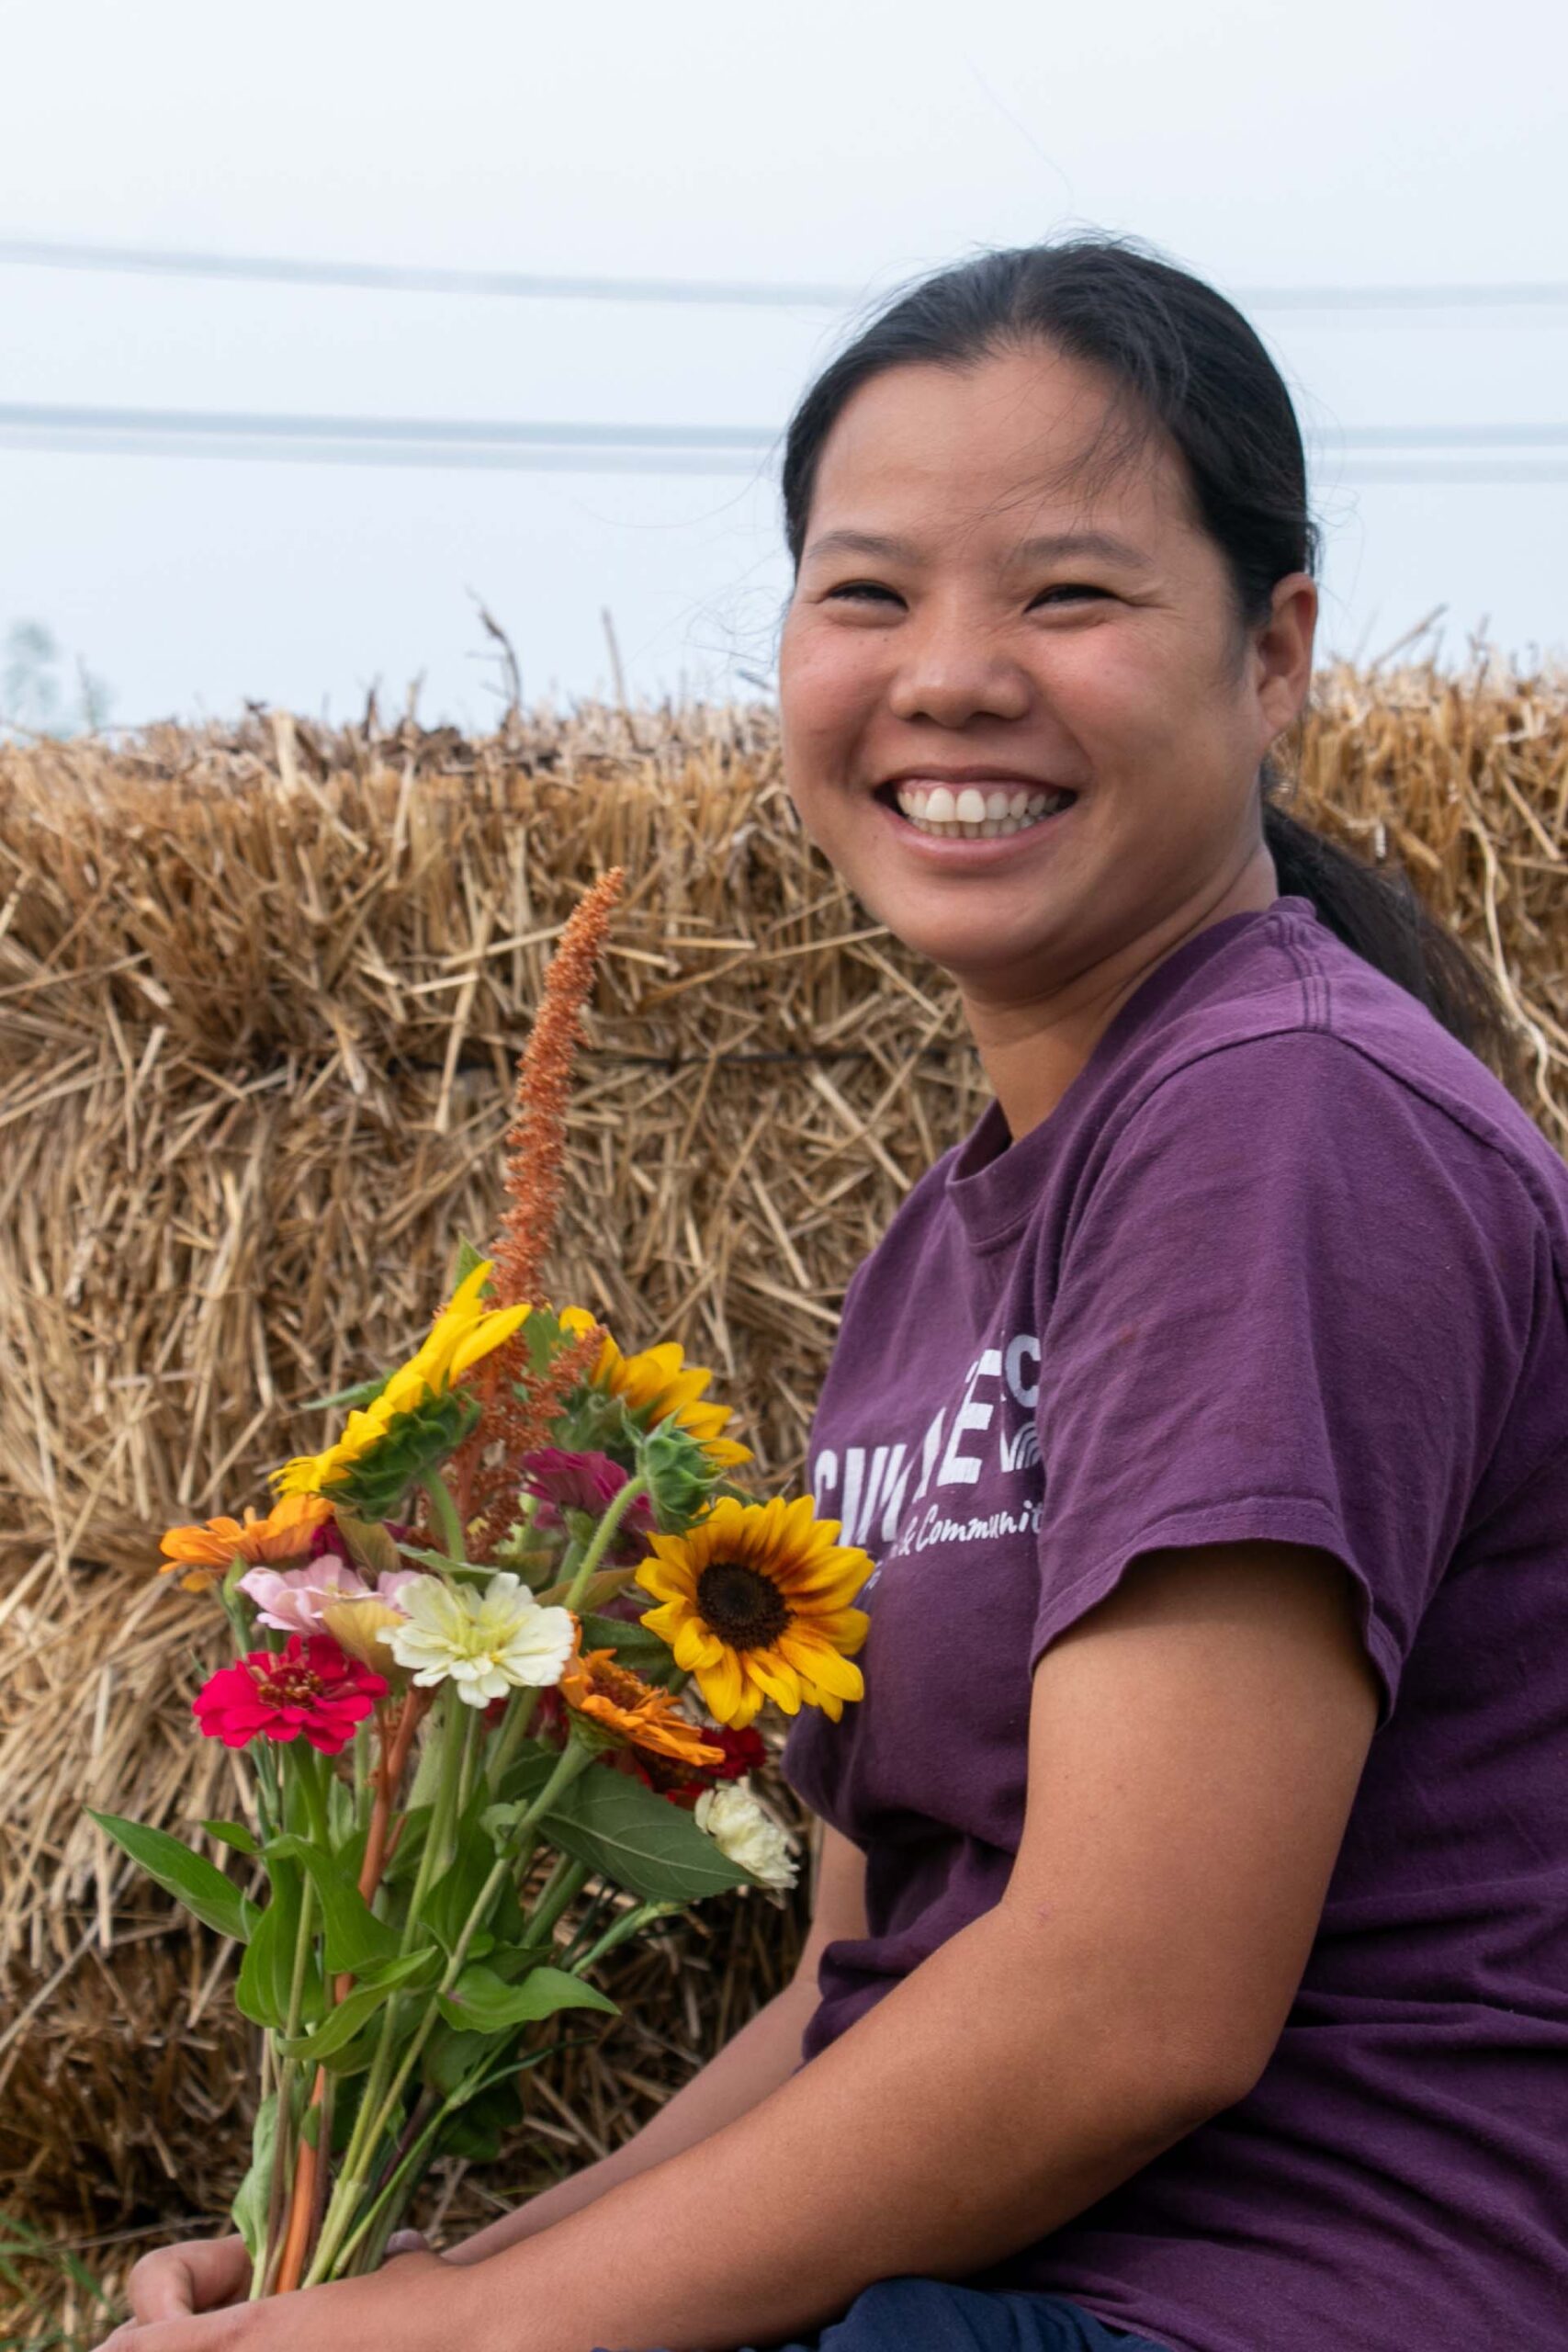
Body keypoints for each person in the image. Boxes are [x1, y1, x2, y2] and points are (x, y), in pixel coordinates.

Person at [106, 239, 1568, 2352]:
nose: (950, 674)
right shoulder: (954, 1236)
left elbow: (1122, 2007)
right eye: (866, 592)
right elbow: (852, 1994)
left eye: (1066, 594)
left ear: (1273, 658)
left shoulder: (1280, 1119)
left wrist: (454, 2346)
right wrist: (422, 2286)